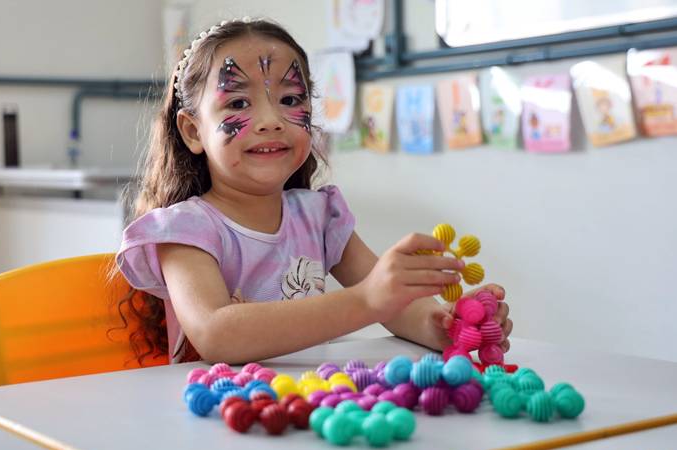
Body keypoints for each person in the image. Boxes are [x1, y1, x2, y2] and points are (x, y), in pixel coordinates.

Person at [116, 17, 512, 365]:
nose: (271, 120)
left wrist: (445, 325)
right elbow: (215, 333)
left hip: (310, 415)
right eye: (238, 101)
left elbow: (393, 307)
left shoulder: (319, 216)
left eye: (290, 99)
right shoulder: (185, 230)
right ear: (193, 131)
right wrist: (365, 300)